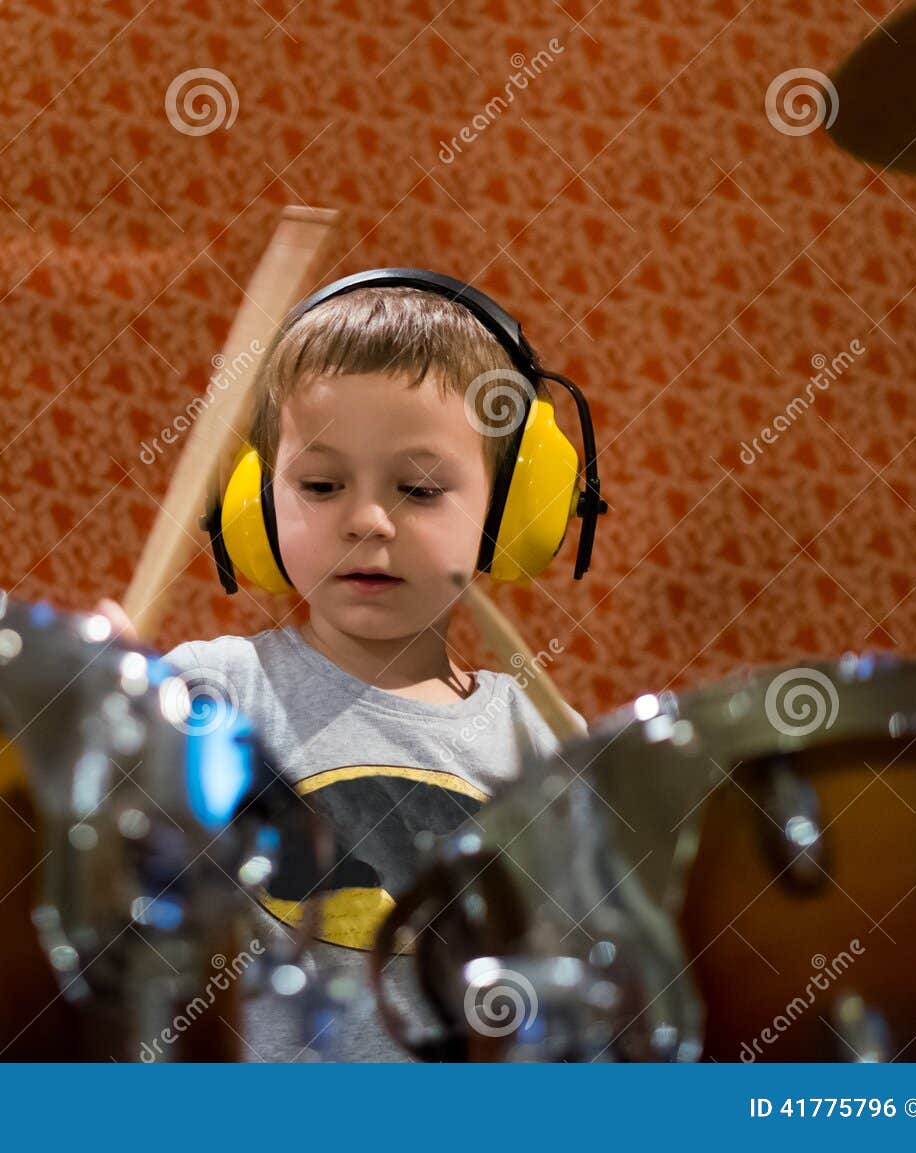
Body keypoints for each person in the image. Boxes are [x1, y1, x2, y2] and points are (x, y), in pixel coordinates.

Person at [94, 276, 595, 1060]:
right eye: (322, 485)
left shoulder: (539, 737)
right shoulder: (206, 692)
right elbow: (92, 880)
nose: (366, 518)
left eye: (421, 488)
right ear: (258, 505)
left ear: (507, 509)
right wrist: (96, 711)